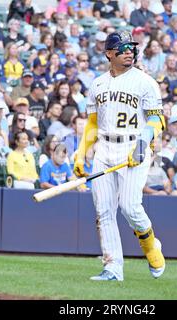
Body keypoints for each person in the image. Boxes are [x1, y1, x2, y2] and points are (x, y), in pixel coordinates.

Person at [73, 31, 166, 281]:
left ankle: (151, 247)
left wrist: (143, 143)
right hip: (104, 147)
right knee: (103, 211)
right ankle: (113, 268)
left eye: (131, 47)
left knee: (129, 207)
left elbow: (158, 118)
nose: (129, 51)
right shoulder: (97, 84)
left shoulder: (145, 82)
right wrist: (81, 154)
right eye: (123, 47)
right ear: (109, 54)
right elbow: (93, 124)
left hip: (134, 145)